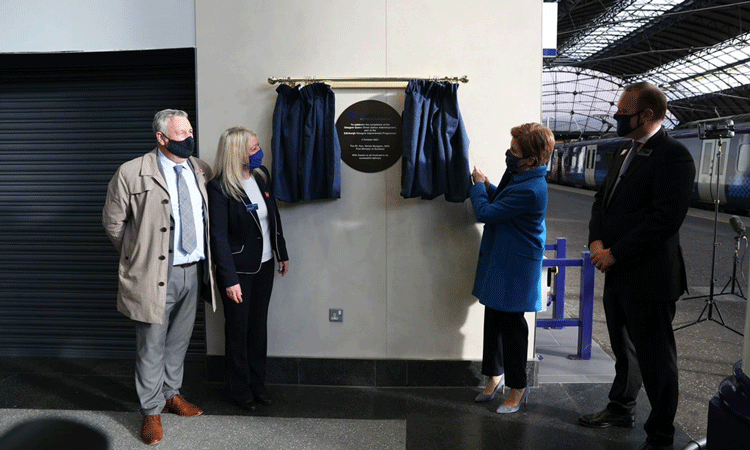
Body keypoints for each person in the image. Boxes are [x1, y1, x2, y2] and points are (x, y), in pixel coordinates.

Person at [579, 82, 695, 450]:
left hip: (649, 277)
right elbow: (603, 201)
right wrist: (596, 241)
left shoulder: (674, 156)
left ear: (647, 114)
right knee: (624, 349)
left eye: (623, 110)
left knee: (658, 360)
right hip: (617, 272)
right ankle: (621, 407)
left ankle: (660, 435)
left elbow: (664, 220)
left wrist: (615, 253)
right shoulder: (625, 151)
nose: (617, 115)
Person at [102, 109, 218, 446]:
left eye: (190, 131)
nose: (189, 139)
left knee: (179, 341)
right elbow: (113, 224)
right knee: (151, 345)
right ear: (161, 137)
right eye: (181, 134)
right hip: (153, 275)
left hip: (193, 271)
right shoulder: (131, 172)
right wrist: (140, 257)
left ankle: (172, 395)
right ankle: (151, 412)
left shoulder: (200, 169)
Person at [469, 123, 555, 414]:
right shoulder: (519, 174)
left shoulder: (532, 189)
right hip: (503, 259)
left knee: (513, 329)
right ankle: (495, 374)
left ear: (530, 159)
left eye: (514, 150)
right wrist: (487, 185)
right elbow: (501, 199)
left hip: (516, 267)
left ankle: (518, 386)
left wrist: (479, 187)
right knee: (493, 319)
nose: (509, 153)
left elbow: (487, 212)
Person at [207, 127, 289, 411]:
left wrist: (281, 251)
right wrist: (229, 279)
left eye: (257, 147)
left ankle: (258, 386)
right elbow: (217, 236)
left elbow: (272, 218)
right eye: (253, 149)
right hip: (238, 272)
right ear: (236, 153)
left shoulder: (261, 176)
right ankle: (239, 390)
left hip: (265, 265)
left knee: (258, 330)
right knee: (238, 332)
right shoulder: (219, 188)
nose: (258, 152)